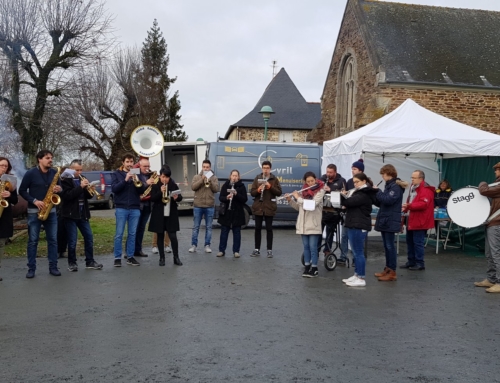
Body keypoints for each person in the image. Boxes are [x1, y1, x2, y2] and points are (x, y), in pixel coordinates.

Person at [19, 150, 62, 278]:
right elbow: (22, 190)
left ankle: (53, 267)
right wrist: (34, 201)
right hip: (34, 211)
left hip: (51, 211)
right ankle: (31, 269)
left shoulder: (54, 173)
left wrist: (59, 188)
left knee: (53, 240)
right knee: (33, 241)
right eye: (47, 158)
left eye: (51, 158)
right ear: (40, 159)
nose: (50, 160)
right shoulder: (30, 173)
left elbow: (60, 188)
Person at [60, 160, 103, 272]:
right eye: (77, 170)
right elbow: (68, 195)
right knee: (72, 240)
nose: (79, 172)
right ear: (71, 169)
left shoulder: (82, 178)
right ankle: (72, 263)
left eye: (80, 170)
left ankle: (90, 261)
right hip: (70, 214)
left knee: (89, 237)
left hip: (82, 214)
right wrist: (80, 187)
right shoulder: (65, 180)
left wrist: (91, 190)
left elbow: (87, 197)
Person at [341, 172, 377, 287]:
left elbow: (349, 202)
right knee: (356, 252)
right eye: (354, 182)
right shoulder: (360, 192)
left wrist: (342, 196)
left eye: (357, 182)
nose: (355, 184)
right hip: (354, 223)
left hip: (359, 225)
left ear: (364, 181)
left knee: (358, 252)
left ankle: (361, 277)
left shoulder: (364, 193)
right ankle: (357, 274)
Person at [373, 164, 408, 282]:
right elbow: (383, 202)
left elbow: (388, 200)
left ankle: (392, 271)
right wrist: (376, 195)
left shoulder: (395, 187)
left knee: (390, 246)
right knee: (386, 245)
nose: (382, 176)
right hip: (386, 218)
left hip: (390, 219)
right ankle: (388, 268)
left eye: (383, 174)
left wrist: (377, 191)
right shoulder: (389, 186)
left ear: (389, 174)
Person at [287, 172, 325, 277]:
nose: (310, 183)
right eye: (308, 182)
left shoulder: (320, 191)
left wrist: (298, 198)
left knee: (313, 247)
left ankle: (315, 268)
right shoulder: (303, 192)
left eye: (312, 181)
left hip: (313, 224)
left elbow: (312, 205)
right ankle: (307, 267)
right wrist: (291, 200)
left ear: (315, 180)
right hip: (303, 224)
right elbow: (300, 208)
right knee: (306, 247)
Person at [111, 153, 147, 267]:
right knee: (119, 234)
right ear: (123, 162)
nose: (130, 164)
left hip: (135, 207)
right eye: (127, 162)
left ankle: (130, 257)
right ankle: (117, 258)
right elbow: (115, 189)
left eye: (131, 162)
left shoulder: (137, 173)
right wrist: (126, 179)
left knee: (132, 234)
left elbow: (142, 190)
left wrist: (137, 180)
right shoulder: (116, 174)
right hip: (121, 207)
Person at [400, 170, 435, 271]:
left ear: (421, 179)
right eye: (412, 178)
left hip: (420, 220)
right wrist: (406, 207)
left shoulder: (426, 189)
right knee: (410, 241)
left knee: (417, 242)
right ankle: (411, 261)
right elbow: (411, 201)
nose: (412, 179)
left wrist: (409, 206)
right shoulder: (413, 187)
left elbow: (424, 204)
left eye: (414, 178)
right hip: (412, 218)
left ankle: (420, 263)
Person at [148, 166, 183, 266]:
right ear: (160, 176)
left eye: (167, 177)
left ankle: (176, 257)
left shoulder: (173, 184)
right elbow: (153, 198)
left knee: (173, 236)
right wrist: (160, 191)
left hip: (171, 213)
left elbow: (180, 197)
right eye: (163, 177)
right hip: (159, 213)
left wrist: (177, 198)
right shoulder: (155, 185)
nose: (165, 179)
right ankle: (162, 258)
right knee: (160, 235)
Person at [475, 162, 500, 293]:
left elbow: (483, 190)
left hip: (497, 223)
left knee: (496, 253)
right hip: (492, 222)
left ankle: (499, 282)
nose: (495, 172)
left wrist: (482, 183)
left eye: (497, 170)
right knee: (490, 253)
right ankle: (491, 278)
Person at [250, 161, 282, 258]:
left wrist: (270, 187)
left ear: (270, 169)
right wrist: (258, 190)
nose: (266, 170)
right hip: (259, 206)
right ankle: (257, 249)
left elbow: (279, 192)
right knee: (257, 228)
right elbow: (252, 192)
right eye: (264, 168)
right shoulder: (257, 178)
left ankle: (269, 250)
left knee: (269, 229)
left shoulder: (274, 179)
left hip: (269, 207)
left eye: (267, 168)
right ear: (262, 169)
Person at [189, 159, 219, 253]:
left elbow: (216, 189)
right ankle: (194, 245)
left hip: (209, 205)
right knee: (196, 227)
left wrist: (210, 181)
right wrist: (202, 179)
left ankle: (207, 245)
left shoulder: (214, 177)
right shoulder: (197, 176)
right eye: (204, 167)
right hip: (198, 205)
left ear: (210, 168)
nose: (205, 168)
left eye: (207, 167)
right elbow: (193, 187)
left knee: (209, 227)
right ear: (202, 167)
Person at [217, 170, 248, 258]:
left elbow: (244, 199)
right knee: (224, 231)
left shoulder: (241, 186)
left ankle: (236, 251)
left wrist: (236, 194)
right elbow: (221, 198)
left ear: (238, 177)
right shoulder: (226, 185)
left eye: (236, 176)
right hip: (226, 211)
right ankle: (221, 250)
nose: (234, 177)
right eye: (233, 175)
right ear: (230, 176)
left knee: (237, 232)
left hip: (237, 212)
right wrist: (227, 197)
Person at [339, 159, 364, 264]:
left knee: (355, 238)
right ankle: (343, 256)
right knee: (344, 235)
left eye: (355, 169)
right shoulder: (349, 181)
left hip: (358, 214)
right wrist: (343, 195)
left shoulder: (365, 182)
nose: (352, 171)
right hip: (348, 213)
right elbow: (347, 195)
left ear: (361, 171)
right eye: (352, 169)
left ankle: (356, 258)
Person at [320, 164, 346, 256]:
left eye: (331, 172)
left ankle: (327, 249)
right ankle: (316, 248)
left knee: (330, 231)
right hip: (322, 210)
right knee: (318, 230)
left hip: (333, 211)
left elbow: (343, 194)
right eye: (327, 172)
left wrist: (330, 190)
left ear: (335, 172)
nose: (328, 174)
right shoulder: (322, 179)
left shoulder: (341, 181)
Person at [0, 157, 18, 281]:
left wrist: (9, 195)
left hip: (3, 216)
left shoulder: (10, 181)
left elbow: (15, 200)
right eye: (1, 165)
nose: (4, 168)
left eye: (6, 166)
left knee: (0, 244)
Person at [134, 158, 156, 258]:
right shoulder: (135, 172)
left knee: (142, 228)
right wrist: (146, 183)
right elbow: (136, 188)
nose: (147, 168)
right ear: (139, 166)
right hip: (138, 205)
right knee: (134, 228)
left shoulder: (151, 174)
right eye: (145, 166)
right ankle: (129, 250)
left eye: (148, 166)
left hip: (147, 205)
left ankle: (138, 250)